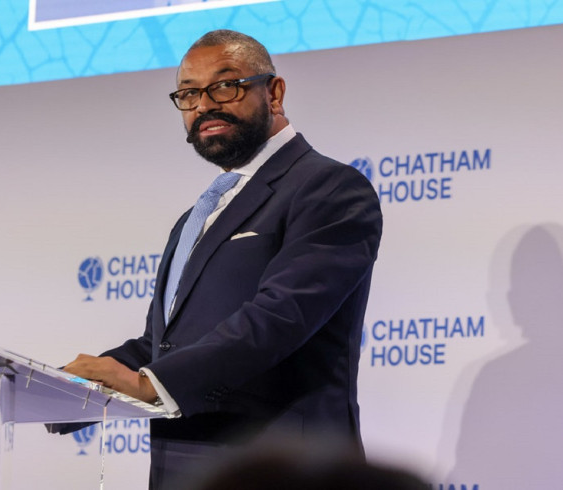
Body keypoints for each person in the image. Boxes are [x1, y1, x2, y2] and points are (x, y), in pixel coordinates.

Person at [62, 29, 382, 489]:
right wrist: (61, 390)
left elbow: (280, 315)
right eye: (189, 93)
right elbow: (163, 344)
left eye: (224, 85)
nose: (204, 105)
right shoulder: (197, 216)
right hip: (187, 465)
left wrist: (152, 383)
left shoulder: (328, 187)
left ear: (274, 91)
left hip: (287, 468)